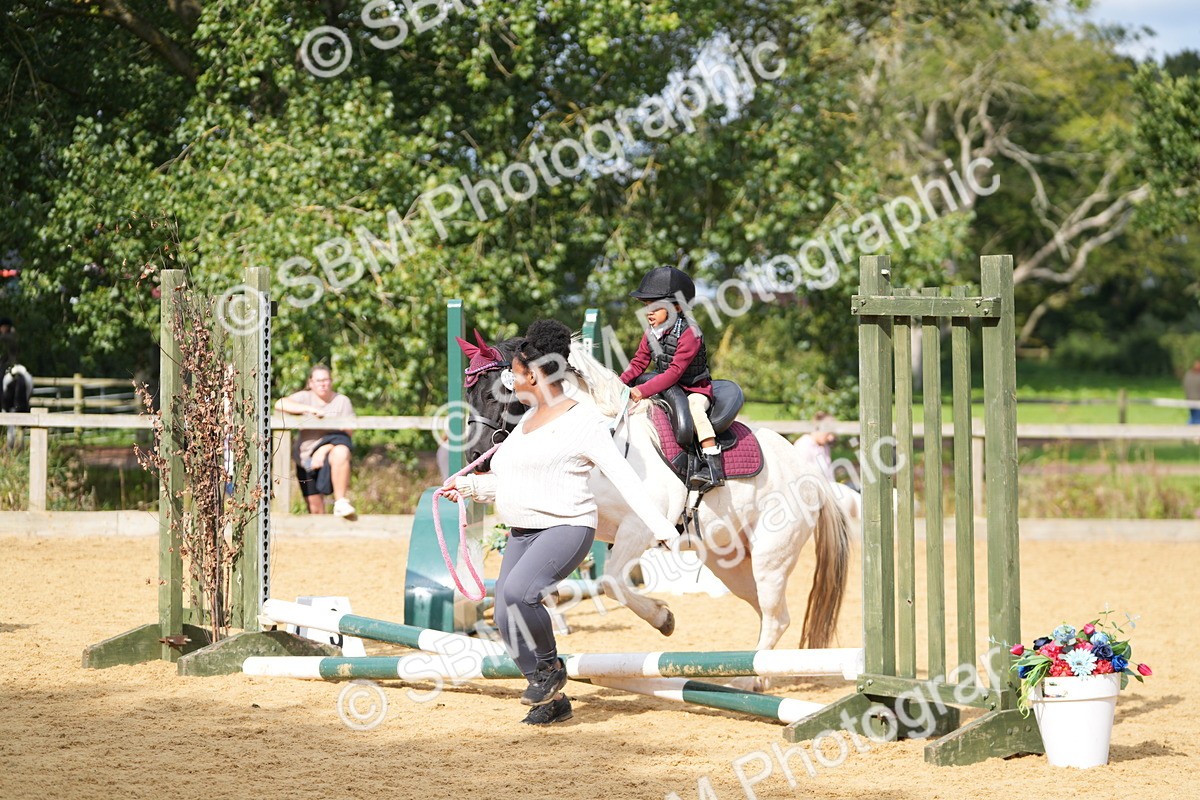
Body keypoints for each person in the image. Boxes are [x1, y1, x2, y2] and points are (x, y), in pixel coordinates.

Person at [441, 320, 680, 726]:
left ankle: (550, 668)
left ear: (534, 376)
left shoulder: (583, 423)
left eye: (513, 374)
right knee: (505, 616)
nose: (509, 381)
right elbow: (515, 479)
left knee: (519, 593)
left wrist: (662, 527)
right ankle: (551, 698)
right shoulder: (525, 424)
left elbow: (625, 479)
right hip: (523, 531)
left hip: (566, 527)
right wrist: (470, 488)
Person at [617, 266, 722, 490]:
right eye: (647, 306)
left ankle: (712, 463)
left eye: (655, 307)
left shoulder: (690, 333)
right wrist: (618, 384)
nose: (649, 313)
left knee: (695, 411)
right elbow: (638, 363)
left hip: (694, 390)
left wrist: (642, 390)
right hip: (668, 390)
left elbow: (674, 372)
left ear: (676, 307)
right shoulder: (652, 333)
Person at [274, 364, 357, 518]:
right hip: (305, 460)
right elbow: (280, 404)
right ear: (311, 383)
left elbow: (348, 433)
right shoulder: (304, 397)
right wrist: (309, 409)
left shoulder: (342, 401)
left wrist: (324, 449)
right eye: (319, 380)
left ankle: (340, 502)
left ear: (331, 381)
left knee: (341, 451)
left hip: (331, 456)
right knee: (315, 509)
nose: (323, 384)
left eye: (326, 380)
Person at [1184, 359, 1200, 425]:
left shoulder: (1188, 374)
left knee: (1194, 417)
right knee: (1197, 418)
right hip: (1196, 400)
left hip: (1190, 399)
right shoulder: (1196, 376)